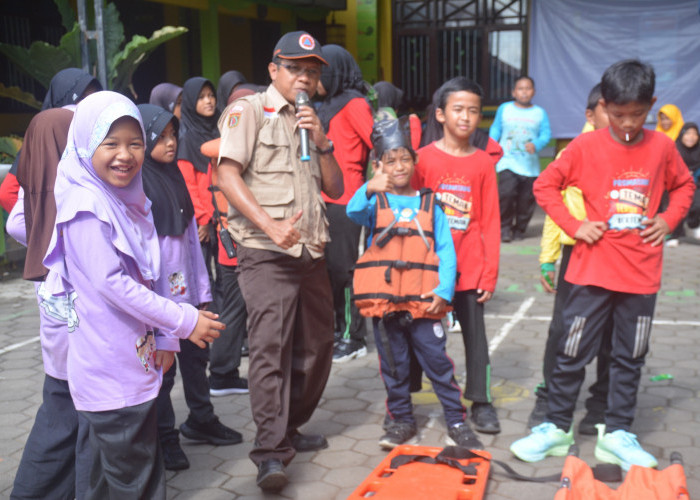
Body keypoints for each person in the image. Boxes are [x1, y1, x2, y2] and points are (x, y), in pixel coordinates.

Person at [510, 59, 695, 471]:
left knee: (629, 356)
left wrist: (668, 220)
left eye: (637, 114)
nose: (627, 123)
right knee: (570, 353)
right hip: (590, 273)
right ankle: (557, 428)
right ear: (602, 107)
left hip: (642, 276)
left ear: (652, 105)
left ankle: (617, 434)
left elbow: (684, 185)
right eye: (618, 113)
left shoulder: (663, 147)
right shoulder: (584, 146)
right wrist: (576, 226)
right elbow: (545, 185)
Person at [42, 91, 225, 498]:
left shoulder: (124, 200)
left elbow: (150, 270)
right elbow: (113, 284)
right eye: (111, 144)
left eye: (135, 143)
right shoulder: (87, 208)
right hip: (112, 375)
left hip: (128, 366)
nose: (125, 155)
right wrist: (183, 320)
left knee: (106, 482)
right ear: (86, 144)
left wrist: (164, 336)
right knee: (138, 483)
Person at [215, 31, 343, 493]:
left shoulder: (312, 120)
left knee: (317, 348)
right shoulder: (249, 111)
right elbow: (226, 173)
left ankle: (288, 427)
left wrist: (322, 140)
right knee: (270, 350)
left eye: (312, 71)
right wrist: (269, 225)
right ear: (274, 70)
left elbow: (335, 188)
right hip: (265, 252)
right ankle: (270, 453)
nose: (304, 78)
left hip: (310, 250)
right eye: (296, 68)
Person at [349, 118, 483, 450]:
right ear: (378, 165)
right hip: (386, 305)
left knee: (438, 364)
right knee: (394, 368)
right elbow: (351, 211)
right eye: (389, 160)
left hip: (424, 303)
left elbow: (446, 251)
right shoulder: (373, 202)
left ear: (415, 160)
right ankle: (401, 420)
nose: (398, 167)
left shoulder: (430, 202)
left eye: (404, 159)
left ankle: (456, 420)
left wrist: (443, 291)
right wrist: (368, 186)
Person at [138, 104, 242, 472]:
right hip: (160, 298)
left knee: (196, 359)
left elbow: (189, 242)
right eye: (161, 137)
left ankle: (201, 419)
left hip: (188, 291)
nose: (170, 144)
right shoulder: (138, 183)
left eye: (172, 136)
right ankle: (166, 437)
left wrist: (202, 290)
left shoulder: (172, 175)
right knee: (162, 370)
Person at [7, 108, 91, 500]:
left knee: (61, 412)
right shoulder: (74, 189)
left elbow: (14, 224)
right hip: (82, 330)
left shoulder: (37, 186)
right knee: (65, 419)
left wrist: (41, 249)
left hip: (57, 321)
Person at [412, 77, 502, 435]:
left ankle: (481, 401)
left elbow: (491, 221)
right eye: (458, 109)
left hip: (471, 268)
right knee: (417, 333)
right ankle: (405, 396)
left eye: (473, 111)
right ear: (441, 114)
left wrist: (490, 274)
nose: (466, 117)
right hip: (430, 269)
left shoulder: (482, 163)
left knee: (476, 338)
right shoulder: (421, 160)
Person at [528, 83, 612, 433]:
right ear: (592, 113)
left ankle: (601, 404)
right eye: (612, 110)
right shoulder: (574, 152)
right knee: (562, 327)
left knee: (610, 331)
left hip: (617, 254)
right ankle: (549, 396)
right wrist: (548, 258)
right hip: (575, 251)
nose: (622, 119)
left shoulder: (633, 152)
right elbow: (552, 207)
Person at [316, 44, 374, 363]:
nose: (314, 79)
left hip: (347, 199)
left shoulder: (354, 104)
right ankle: (339, 329)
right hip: (321, 197)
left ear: (334, 72)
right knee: (328, 271)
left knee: (345, 270)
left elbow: (376, 144)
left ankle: (355, 335)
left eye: (319, 72)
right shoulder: (324, 105)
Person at [201, 86, 257, 397]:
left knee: (236, 311)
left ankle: (223, 373)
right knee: (237, 312)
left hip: (234, 248)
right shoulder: (227, 146)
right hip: (236, 249)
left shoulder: (225, 145)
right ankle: (222, 374)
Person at [0, 68, 102, 213]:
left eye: (94, 98)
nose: (89, 105)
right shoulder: (41, 139)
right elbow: (8, 194)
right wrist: (43, 229)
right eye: (82, 97)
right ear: (63, 99)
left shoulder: (99, 135)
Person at [489, 76, 551, 242]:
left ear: (534, 92)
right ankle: (505, 229)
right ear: (514, 92)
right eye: (521, 88)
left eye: (528, 88)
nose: (524, 92)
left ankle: (520, 229)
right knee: (506, 194)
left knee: (526, 201)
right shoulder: (505, 108)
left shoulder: (539, 113)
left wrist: (536, 144)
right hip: (507, 161)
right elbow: (496, 129)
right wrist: (491, 146)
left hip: (529, 166)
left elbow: (546, 134)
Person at [177, 77, 220, 289]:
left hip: (223, 216)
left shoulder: (221, 129)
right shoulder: (187, 140)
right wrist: (203, 219)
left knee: (224, 275)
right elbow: (189, 185)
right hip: (203, 220)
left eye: (211, 95)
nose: (209, 101)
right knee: (206, 279)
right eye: (201, 97)